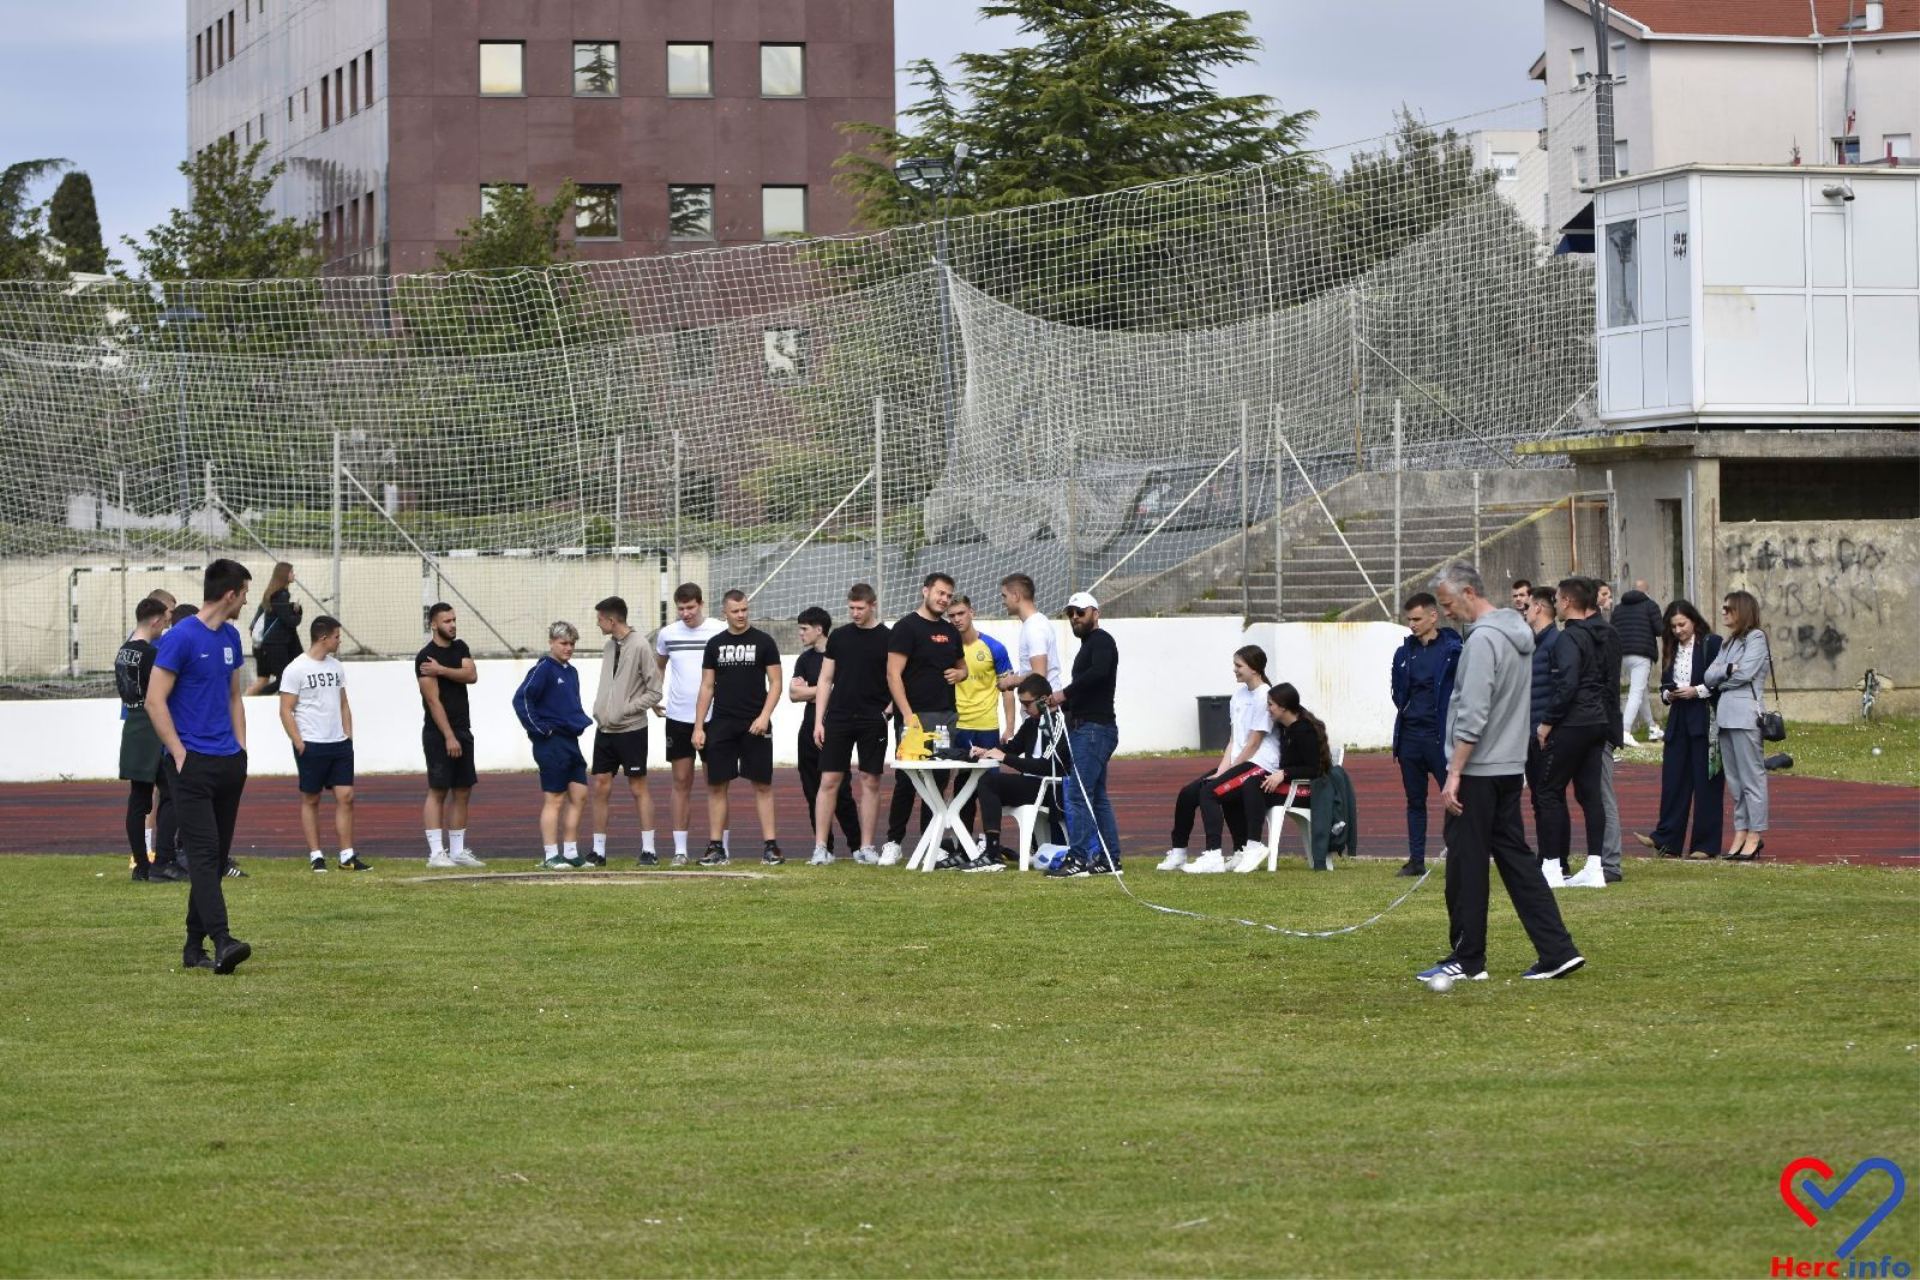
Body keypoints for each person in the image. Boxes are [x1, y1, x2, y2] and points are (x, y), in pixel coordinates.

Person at [1421, 562, 1584, 983]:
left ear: (1469, 593)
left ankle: (1468, 959)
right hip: (1509, 766)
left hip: (1479, 769)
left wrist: (1455, 772)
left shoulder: (1482, 641)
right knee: (1518, 860)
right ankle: (1557, 950)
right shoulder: (1517, 634)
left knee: (1466, 865)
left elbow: (1473, 712)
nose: (1446, 612)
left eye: (1448, 603)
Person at [145, 559, 254, 975]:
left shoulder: (231, 636)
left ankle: (194, 947)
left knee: (216, 856)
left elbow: (234, 697)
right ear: (230, 594)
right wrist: (177, 751)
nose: (246, 601)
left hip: (228, 763)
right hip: (190, 763)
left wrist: (241, 749)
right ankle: (223, 940)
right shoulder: (180, 637)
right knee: (204, 854)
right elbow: (155, 700)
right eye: (244, 594)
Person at [1159, 645, 1277, 873]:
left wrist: (1229, 772)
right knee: (1188, 793)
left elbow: (1254, 743)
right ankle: (1179, 853)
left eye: (1238, 665)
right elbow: (1233, 741)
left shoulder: (1265, 696)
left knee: (1210, 792)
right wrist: (1222, 771)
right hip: (1239, 762)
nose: (1234, 669)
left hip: (1259, 764)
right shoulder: (1239, 696)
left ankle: (1213, 855)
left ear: (1254, 668)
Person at [1535, 576, 1622, 882]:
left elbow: (1567, 683)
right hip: (1599, 721)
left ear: (1568, 602)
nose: (1555, 604)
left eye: (1557, 599)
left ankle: (1551, 867)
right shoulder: (1602, 634)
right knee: (1590, 793)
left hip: (1574, 721)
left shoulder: (1568, 638)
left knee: (1548, 790)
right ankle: (1595, 868)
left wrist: (1547, 722)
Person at [880, 573, 968, 866]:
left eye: (948, 595)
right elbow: (893, 675)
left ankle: (931, 842)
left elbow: (963, 668)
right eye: (940, 593)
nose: (944, 599)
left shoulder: (950, 631)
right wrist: (907, 716)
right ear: (925, 591)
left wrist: (960, 674)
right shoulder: (906, 628)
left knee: (939, 781)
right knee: (907, 780)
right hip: (914, 719)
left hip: (944, 717)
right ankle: (893, 842)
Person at [692, 590, 784, 866]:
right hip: (722, 723)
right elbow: (707, 686)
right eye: (736, 611)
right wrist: (699, 727)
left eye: (744, 609)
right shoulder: (714, 644)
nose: (741, 615)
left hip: (755, 724)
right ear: (725, 613)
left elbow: (776, 683)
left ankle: (770, 847)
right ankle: (716, 847)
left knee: (762, 784)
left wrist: (764, 716)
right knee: (717, 785)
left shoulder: (764, 641)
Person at [1634, 600, 1725, 859]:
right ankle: (1667, 840)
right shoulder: (1671, 646)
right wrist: (1668, 694)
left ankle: (1705, 845)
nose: (1678, 631)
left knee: (1706, 783)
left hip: (1704, 718)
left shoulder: (1711, 643)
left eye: (1682, 625)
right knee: (1674, 780)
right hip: (1678, 719)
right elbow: (1665, 682)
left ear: (1693, 620)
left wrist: (1696, 691)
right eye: (1673, 626)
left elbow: (1722, 680)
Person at [810, 584, 892, 865]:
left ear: (873, 606)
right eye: (851, 608)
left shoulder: (888, 638)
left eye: (860, 608)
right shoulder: (839, 636)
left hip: (873, 719)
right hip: (839, 717)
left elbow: (897, 678)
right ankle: (821, 847)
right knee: (829, 780)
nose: (855, 613)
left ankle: (866, 847)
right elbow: (825, 679)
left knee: (870, 780)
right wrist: (819, 720)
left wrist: (888, 712)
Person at [279, 616, 367, 873]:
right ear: (323, 638)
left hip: (338, 744)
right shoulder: (296, 669)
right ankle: (316, 855)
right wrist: (299, 742)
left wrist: (348, 736)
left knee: (346, 796)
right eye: (337, 637)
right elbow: (286, 710)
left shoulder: (337, 667)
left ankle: (347, 856)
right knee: (311, 798)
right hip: (311, 743)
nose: (340, 641)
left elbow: (343, 703)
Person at [1045, 592, 1121, 877]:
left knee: (1078, 795)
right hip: (1092, 728)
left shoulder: (1101, 640)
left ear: (1095, 613)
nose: (1075, 617)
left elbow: (1099, 673)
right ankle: (1109, 859)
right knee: (1095, 797)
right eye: (1070, 613)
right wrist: (1061, 704)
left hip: (1093, 731)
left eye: (1080, 612)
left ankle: (1077, 859)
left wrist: (1064, 694)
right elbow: (1090, 686)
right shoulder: (1090, 644)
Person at [1389, 592, 1462, 878]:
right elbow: (1397, 691)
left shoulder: (1454, 650)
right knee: (1414, 800)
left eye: (1417, 619)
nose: (1412, 625)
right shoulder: (1403, 653)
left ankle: (1459, 856)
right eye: (1409, 619)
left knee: (1454, 799)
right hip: (1410, 737)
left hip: (1440, 737)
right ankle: (1416, 859)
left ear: (1433, 617)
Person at [655, 583, 728, 866]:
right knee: (681, 782)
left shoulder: (719, 630)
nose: (685, 613)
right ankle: (680, 850)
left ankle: (721, 848)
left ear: (701, 604)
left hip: (714, 718)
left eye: (690, 607)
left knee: (716, 784)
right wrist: (654, 695)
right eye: (680, 609)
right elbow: (659, 665)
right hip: (678, 718)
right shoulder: (667, 634)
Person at [588, 595, 663, 867]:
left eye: (599, 619)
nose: (597, 624)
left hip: (631, 729)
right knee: (600, 786)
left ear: (612, 619)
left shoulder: (641, 645)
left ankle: (649, 850)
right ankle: (598, 852)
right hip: (605, 729)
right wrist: (605, 711)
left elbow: (655, 691)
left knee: (637, 787)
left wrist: (628, 709)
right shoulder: (609, 646)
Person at [514, 622, 594, 869]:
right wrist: (541, 729)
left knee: (579, 795)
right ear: (551, 643)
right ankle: (550, 856)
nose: (568, 648)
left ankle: (570, 852)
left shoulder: (572, 671)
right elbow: (521, 699)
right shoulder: (543, 669)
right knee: (555, 799)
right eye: (563, 643)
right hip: (551, 742)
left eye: (572, 644)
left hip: (570, 741)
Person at [970, 675, 1071, 863]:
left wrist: (1005, 758)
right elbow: (1013, 747)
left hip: (1050, 788)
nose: (1024, 708)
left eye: (1026, 703)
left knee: (989, 782)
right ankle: (990, 850)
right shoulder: (1032, 722)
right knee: (985, 783)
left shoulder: (1059, 722)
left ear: (1043, 700)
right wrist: (988, 751)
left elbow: (1046, 766)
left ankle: (991, 853)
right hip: (1032, 785)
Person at [1704, 590, 1770, 861]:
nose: (1723, 612)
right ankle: (1741, 830)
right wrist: (1726, 671)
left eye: (1728, 608)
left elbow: (1745, 673)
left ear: (1742, 610)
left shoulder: (1756, 638)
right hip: (1725, 716)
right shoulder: (1728, 643)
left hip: (1745, 715)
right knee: (1734, 781)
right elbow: (1708, 676)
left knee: (1751, 778)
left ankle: (1755, 833)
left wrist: (1723, 679)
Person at [1235, 682, 1333, 863]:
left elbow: (1314, 769)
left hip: (1305, 792)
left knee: (1252, 785)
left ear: (1284, 707)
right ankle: (1243, 848)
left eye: (1270, 704)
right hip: (1290, 784)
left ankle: (1253, 846)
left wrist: (1284, 774)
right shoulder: (1285, 725)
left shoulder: (1304, 731)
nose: (1267, 709)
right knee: (1245, 786)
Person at [117, 597, 178, 882]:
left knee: (138, 799)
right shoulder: (151, 654)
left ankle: (141, 865)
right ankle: (164, 858)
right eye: (164, 622)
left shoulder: (123, 651)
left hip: (132, 725)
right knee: (172, 793)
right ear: (154, 620)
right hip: (152, 726)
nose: (164, 627)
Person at [792, 606, 860, 864]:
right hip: (808, 730)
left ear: (819, 629)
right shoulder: (804, 659)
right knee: (812, 791)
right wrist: (823, 689)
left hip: (836, 729)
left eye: (804, 629)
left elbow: (843, 689)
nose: (801, 634)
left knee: (841, 791)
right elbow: (794, 694)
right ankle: (824, 849)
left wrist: (814, 690)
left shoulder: (840, 654)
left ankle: (857, 847)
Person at [946, 595, 1014, 852]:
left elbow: (1007, 689)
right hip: (960, 726)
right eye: (952, 615)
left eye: (961, 613)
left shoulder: (994, 647)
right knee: (962, 785)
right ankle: (963, 844)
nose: (957, 619)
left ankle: (989, 842)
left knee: (990, 785)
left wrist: (1010, 726)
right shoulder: (947, 648)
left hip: (987, 726)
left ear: (971, 612)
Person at [418, 603, 483, 869]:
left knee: (463, 789)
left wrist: (443, 670)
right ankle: (436, 853)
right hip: (439, 734)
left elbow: (471, 674)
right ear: (434, 624)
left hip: (463, 729)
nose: (453, 625)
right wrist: (448, 736)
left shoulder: (460, 648)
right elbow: (433, 701)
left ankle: (457, 851)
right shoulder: (425, 657)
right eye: (447, 621)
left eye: (454, 620)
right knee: (438, 790)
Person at [1523, 585, 1561, 856]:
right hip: (1530, 731)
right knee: (1538, 798)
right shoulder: (1533, 643)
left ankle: (1556, 859)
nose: (1524, 611)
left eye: (1527, 606)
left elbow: (1559, 688)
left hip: (1545, 733)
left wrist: (1547, 724)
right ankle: (1545, 856)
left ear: (1538, 607)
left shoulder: (1555, 642)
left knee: (1549, 798)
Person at [1613, 579, 1664, 748]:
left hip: (1621, 654)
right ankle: (1624, 731)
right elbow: (1659, 629)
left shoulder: (1618, 608)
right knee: (1636, 692)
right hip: (1642, 653)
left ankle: (1652, 727)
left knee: (1641, 691)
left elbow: (1612, 630)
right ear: (1647, 591)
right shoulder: (1650, 605)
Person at [244, 560, 303, 696]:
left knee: (264, 680)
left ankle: (247, 700)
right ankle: (255, 700)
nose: (294, 574)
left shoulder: (272, 595)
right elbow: (289, 620)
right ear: (284, 575)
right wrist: (298, 613)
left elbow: (280, 615)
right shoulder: (280, 596)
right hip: (275, 644)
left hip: (265, 645)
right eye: (291, 572)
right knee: (283, 680)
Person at [998, 573, 1063, 692]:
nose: (1003, 602)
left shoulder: (1034, 627)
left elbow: (1039, 674)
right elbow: (1032, 670)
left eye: (1005, 596)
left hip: (1044, 701)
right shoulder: (1033, 624)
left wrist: (1010, 681)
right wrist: (1013, 678)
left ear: (1016, 596)